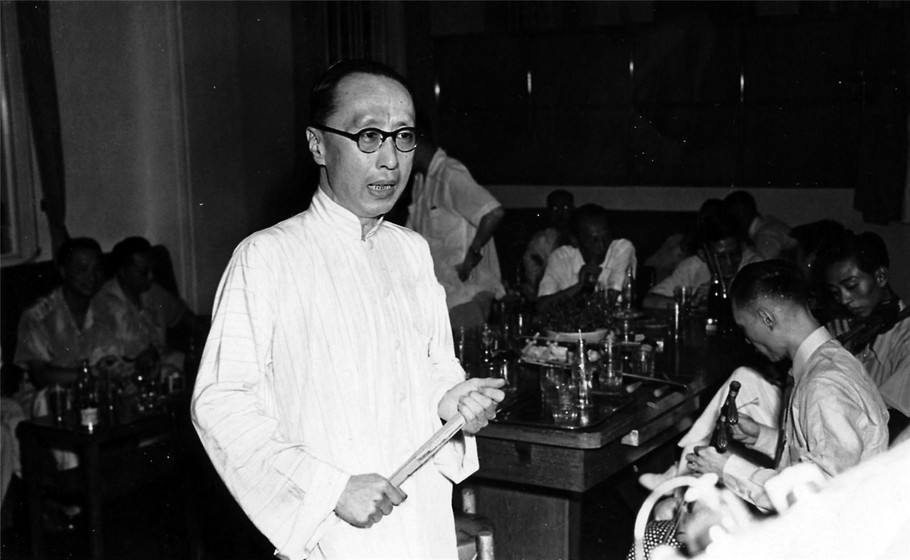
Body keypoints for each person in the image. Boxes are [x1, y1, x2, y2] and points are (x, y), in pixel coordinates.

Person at [191, 59, 505, 560]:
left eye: (403, 136)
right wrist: (330, 490)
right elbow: (220, 403)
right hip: (334, 533)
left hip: (419, 518)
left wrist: (451, 402)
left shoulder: (411, 250)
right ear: (318, 145)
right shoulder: (267, 257)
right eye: (368, 136)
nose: (390, 160)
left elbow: (433, 367)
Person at [682, 260, 889, 510]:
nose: (748, 340)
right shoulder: (833, 361)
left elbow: (817, 496)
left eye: (745, 328)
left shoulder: (823, 386)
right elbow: (822, 457)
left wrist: (728, 468)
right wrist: (762, 437)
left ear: (766, 318)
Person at [406, 133, 505, 329]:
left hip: (466, 294)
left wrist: (472, 256)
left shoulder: (450, 173)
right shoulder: (419, 181)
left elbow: (493, 213)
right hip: (441, 294)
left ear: (415, 145)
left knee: (468, 347)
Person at [818, 231, 910, 437]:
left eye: (851, 286)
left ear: (880, 276)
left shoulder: (905, 337)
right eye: (835, 292)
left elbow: (896, 425)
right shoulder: (849, 330)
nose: (844, 299)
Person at [92, 236, 192, 369]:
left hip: (168, 364)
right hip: (130, 371)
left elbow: (184, 315)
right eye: (143, 272)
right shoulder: (104, 303)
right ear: (123, 271)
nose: (151, 276)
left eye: (152, 270)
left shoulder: (153, 291)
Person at [643, 208, 760, 310]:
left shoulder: (754, 266)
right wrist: (692, 303)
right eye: (720, 257)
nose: (729, 263)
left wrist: (722, 299)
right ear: (703, 255)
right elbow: (649, 301)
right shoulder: (692, 266)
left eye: (734, 254)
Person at [536, 203, 636, 313]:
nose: (602, 245)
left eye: (606, 237)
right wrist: (579, 287)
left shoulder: (621, 249)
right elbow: (541, 307)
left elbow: (610, 300)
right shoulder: (561, 257)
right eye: (594, 240)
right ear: (575, 241)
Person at [519, 189, 574, 301]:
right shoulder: (540, 241)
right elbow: (533, 276)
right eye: (555, 209)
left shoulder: (582, 238)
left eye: (565, 208)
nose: (560, 214)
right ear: (548, 211)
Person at [722, 190, 795, 261]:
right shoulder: (769, 225)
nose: (729, 226)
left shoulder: (766, 236)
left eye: (730, 218)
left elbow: (765, 266)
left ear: (741, 213)